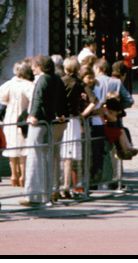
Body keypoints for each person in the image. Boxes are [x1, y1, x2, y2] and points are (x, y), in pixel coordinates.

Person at [20, 54, 67, 206]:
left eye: (34, 66)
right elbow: (61, 98)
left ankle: (33, 195)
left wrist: (32, 115)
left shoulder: (42, 79)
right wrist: (60, 113)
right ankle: (47, 193)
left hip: (39, 122)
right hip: (49, 122)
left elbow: (38, 98)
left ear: (40, 66)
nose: (32, 69)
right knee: (47, 158)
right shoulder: (56, 78)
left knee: (34, 158)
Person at [0, 60, 35, 187]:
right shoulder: (29, 85)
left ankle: (13, 175)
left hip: (10, 117)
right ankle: (22, 175)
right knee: (23, 147)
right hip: (22, 117)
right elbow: (33, 99)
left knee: (12, 146)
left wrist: (8, 102)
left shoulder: (11, 83)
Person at [60, 57, 98, 198]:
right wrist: (83, 114)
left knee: (65, 155)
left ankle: (65, 185)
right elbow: (94, 100)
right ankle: (68, 185)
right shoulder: (79, 83)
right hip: (75, 119)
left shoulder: (62, 81)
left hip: (63, 119)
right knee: (71, 156)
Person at [103, 93, 138, 160]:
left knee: (123, 130)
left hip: (112, 128)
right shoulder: (106, 109)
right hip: (108, 128)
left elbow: (121, 114)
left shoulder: (114, 107)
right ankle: (124, 151)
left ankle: (129, 148)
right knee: (119, 133)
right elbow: (113, 118)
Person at [121, 28, 137, 93]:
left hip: (126, 63)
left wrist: (124, 55)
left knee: (126, 83)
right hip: (120, 63)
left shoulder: (129, 40)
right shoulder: (121, 39)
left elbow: (133, 53)